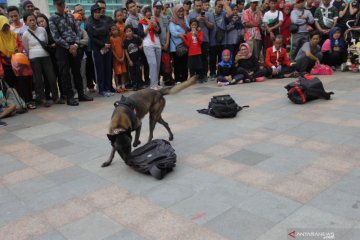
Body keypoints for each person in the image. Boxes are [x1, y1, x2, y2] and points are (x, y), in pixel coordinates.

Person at [49, 0, 93, 106]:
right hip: (62, 48)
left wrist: (76, 45)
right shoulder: (52, 19)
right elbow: (56, 37)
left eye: (63, 3)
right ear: (55, 5)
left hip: (75, 46)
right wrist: (68, 46)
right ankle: (70, 97)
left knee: (77, 72)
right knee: (65, 73)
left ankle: (81, 94)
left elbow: (78, 31)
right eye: (59, 4)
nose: (62, 6)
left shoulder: (70, 16)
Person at [22, 13, 62, 107]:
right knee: (38, 79)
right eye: (30, 20)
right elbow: (26, 48)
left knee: (51, 77)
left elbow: (46, 42)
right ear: (26, 23)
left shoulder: (42, 30)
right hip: (34, 58)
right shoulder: (25, 34)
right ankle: (42, 99)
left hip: (46, 56)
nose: (32, 22)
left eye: (33, 20)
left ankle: (56, 97)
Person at [0, 15, 35, 109]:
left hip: (17, 63)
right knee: (10, 85)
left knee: (23, 81)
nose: (5, 28)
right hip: (5, 65)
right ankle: (15, 104)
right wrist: (1, 71)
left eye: (6, 25)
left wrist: (17, 51)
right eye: (3, 26)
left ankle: (27, 101)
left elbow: (20, 45)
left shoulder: (14, 34)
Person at [86, 4, 113, 97]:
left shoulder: (103, 22)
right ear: (92, 13)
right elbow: (92, 37)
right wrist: (102, 45)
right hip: (97, 49)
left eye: (99, 12)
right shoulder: (89, 23)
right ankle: (101, 89)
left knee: (107, 69)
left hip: (106, 48)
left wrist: (106, 45)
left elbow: (107, 34)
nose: (98, 14)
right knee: (100, 70)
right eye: (96, 12)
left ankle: (107, 88)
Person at [189, 0, 214, 82]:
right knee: (196, 59)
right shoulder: (191, 14)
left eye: (200, 5)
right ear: (194, 5)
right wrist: (196, 20)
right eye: (197, 5)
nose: (199, 7)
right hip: (194, 42)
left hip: (205, 40)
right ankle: (195, 76)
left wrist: (205, 20)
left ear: (202, 5)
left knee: (204, 59)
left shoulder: (208, 14)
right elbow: (188, 27)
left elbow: (211, 26)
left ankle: (204, 75)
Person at [138, 6, 162, 90]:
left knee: (158, 64)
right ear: (144, 13)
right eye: (146, 11)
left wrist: (155, 26)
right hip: (148, 45)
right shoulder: (141, 23)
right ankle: (152, 84)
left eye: (149, 11)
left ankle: (156, 83)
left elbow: (159, 31)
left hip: (157, 44)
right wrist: (148, 27)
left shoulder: (155, 20)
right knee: (153, 64)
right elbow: (141, 34)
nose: (148, 13)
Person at [209, 0, 229, 80]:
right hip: (212, 42)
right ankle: (212, 73)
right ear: (214, 6)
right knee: (212, 59)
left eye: (221, 7)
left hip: (222, 41)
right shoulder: (210, 15)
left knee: (221, 59)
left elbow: (230, 14)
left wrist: (225, 4)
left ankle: (220, 73)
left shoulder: (224, 14)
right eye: (218, 6)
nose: (220, 8)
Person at [153, 0, 172, 86]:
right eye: (157, 8)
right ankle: (156, 81)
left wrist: (167, 42)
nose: (158, 10)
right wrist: (160, 44)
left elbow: (167, 31)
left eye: (160, 8)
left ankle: (167, 78)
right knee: (157, 64)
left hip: (166, 44)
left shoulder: (164, 18)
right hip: (156, 45)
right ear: (154, 8)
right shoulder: (152, 19)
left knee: (166, 62)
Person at [169, 4, 189, 83]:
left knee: (184, 63)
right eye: (179, 11)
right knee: (177, 63)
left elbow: (187, 28)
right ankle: (177, 79)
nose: (181, 13)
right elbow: (173, 32)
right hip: (176, 46)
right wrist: (180, 34)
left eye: (182, 11)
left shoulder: (185, 19)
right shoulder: (172, 21)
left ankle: (184, 78)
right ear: (175, 12)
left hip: (184, 45)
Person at [123, 25, 143, 91]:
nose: (129, 33)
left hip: (138, 59)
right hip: (131, 60)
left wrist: (141, 46)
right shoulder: (125, 41)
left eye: (130, 31)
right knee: (132, 73)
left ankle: (139, 84)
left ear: (133, 32)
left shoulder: (136, 38)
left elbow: (141, 42)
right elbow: (125, 51)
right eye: (127, 32)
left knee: (138, 72)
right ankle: (134, 84)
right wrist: (129, 60)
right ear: (125, 33)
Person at [110, 23, 127, 93]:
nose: (115, 31)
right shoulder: (111, 39)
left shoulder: (120, 38)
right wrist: (118, 58)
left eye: (116, 29)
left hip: (122, 58)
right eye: (113, 30)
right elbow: (112, 50)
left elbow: (123, 48)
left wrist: (123, 56)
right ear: (111, 31)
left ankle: (123, 86)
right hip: (116, 59)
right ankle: (117, 86)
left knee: (123, 72)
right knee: (117, 73)